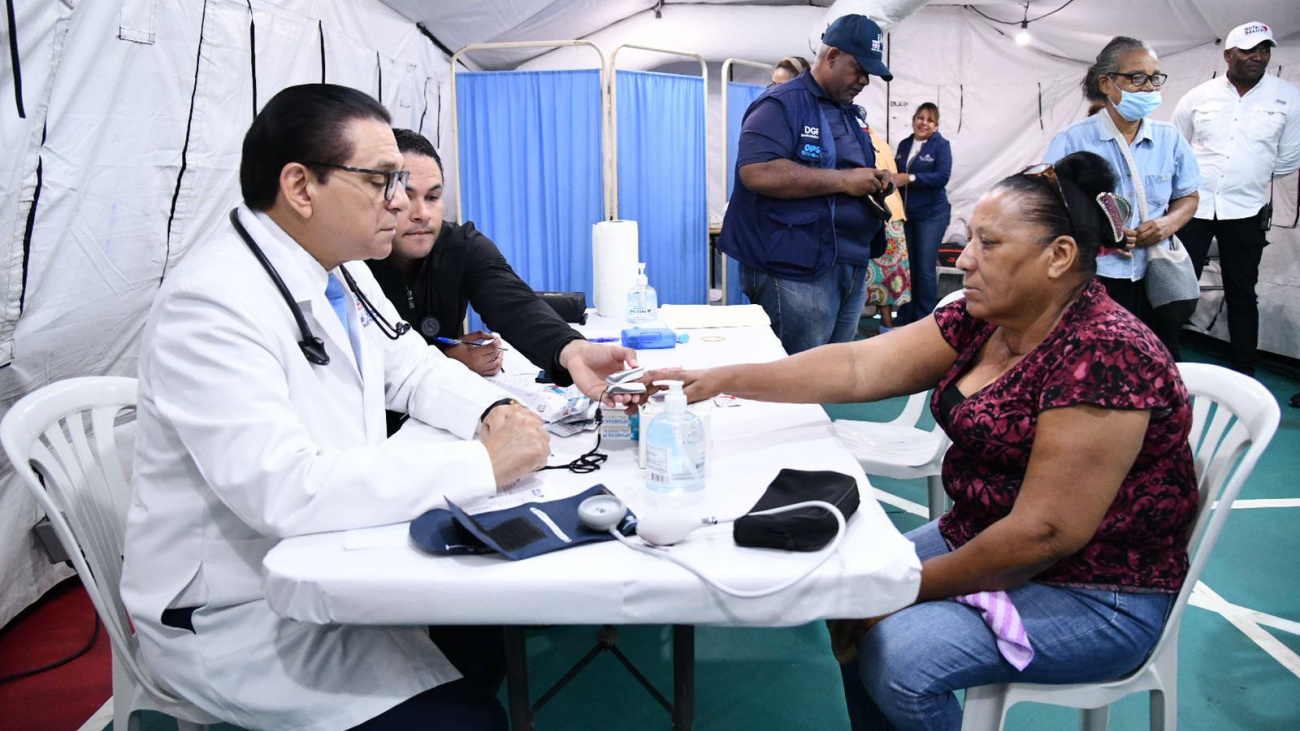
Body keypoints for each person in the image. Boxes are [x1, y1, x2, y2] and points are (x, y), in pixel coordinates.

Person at [659, 152, 1198, 731]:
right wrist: (720, 379)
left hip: (1098, 589)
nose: (964, 260)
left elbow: (1045, 533)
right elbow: (859, 367)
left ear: (1059, 257)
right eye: (971, 239)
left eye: (989, 244)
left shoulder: (1104, 352)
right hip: (986, 537)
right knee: (848, 599)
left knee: (899, 655)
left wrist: (904, 591)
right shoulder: (986, 317)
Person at [120, 84, 555, 731]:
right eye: (383, 180)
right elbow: (285, 490)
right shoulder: (210, 306)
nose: (404, 202)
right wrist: (482, 465)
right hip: (238, 610)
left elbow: (409, 366)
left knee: (493, 614)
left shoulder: (339, 271)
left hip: (330, 559)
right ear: (301, 187)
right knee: (470, 720)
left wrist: (495, 408)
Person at [366, 128, 637, 417]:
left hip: (439, 415)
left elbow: (515, 304)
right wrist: (449, 357)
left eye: (433, 197)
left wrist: (571, 350)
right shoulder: (355, 263)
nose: (422, 213)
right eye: (407, 198)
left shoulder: (462, 246)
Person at [718, 13, 895, 354]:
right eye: (859, 69)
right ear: (831, 56)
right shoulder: (781, 104)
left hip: (848, 264)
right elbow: (757, 171)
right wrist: (845, 181)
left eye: (869, 73)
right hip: (795, 270)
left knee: (826, 376)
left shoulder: (848, 112)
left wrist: (874, 180)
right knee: (793, 381)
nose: (865, 81)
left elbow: (849, 172)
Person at [1046, 36, 1201, 360]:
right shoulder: (1073, 141)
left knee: (1159, 362)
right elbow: (1053, 208)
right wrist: (1105, 236)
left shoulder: (1169, 138)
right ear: (1106, 83)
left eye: (1155, 77)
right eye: (1136, 77)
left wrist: (1166, 224)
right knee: (1098, 365)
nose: (1149, 87)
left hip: (1155, 277)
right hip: (1098, 277)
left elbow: (1189, 196)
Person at [1172, 21, 1300, 376]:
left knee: (1242, 294)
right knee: (1179, 288)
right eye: (1249, 50)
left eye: (1264, 50)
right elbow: (1178, 149)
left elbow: (1290, 157)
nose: (1258, 57)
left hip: (1245, 211)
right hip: (1194, 208)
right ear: (1228, 54)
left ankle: (1245, 373)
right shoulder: (1198, 96)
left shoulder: (1288, 97)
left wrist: (1251, 173)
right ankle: (1164, 362)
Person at [892, 102, 953, 326]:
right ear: (913, 120)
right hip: (908, 216)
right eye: (920, 118)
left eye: (929, 120)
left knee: (925, 268)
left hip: (932, 215)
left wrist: (911, 178)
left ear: (935, 125)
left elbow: (942, 177)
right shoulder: (905, 144)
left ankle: (925, 320)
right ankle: (905, 316)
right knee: (907, 268)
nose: (923, 123)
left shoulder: (941, 146)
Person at [863, 123, 911, 332]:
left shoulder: (860, 142)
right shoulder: (882, 143)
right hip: (889, 214)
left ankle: (881, 323)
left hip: (874, 214)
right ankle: (886, 324)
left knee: (871, 273)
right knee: (889, 275)